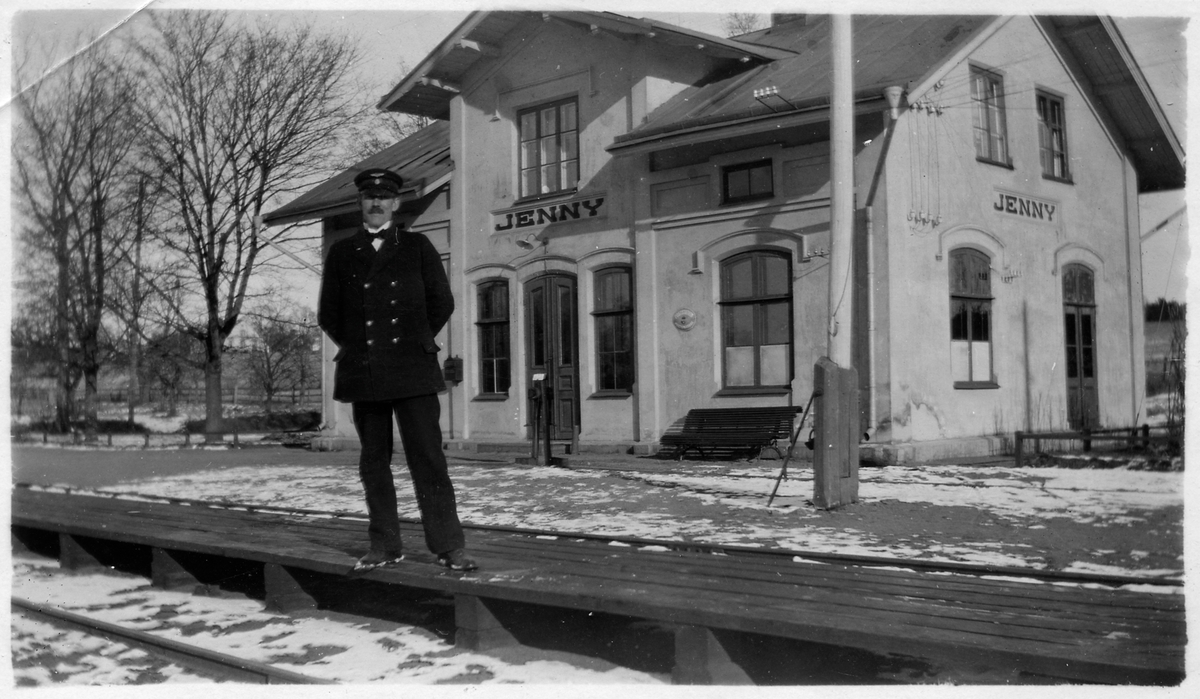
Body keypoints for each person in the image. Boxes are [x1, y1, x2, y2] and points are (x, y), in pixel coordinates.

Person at [317, 167, 476, 572]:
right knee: (374, 462)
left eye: (384, 197)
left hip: (412, 370)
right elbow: (328, 314)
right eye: (369, 197)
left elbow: (442, 302)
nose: (376, 203)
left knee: (428, 459)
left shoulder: (417, 246)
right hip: (365, 370)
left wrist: (414, 341)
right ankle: (385, 545)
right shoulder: (342, 252)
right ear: (360, 202)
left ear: (396, 203)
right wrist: (360, 346)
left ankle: (449, 547)